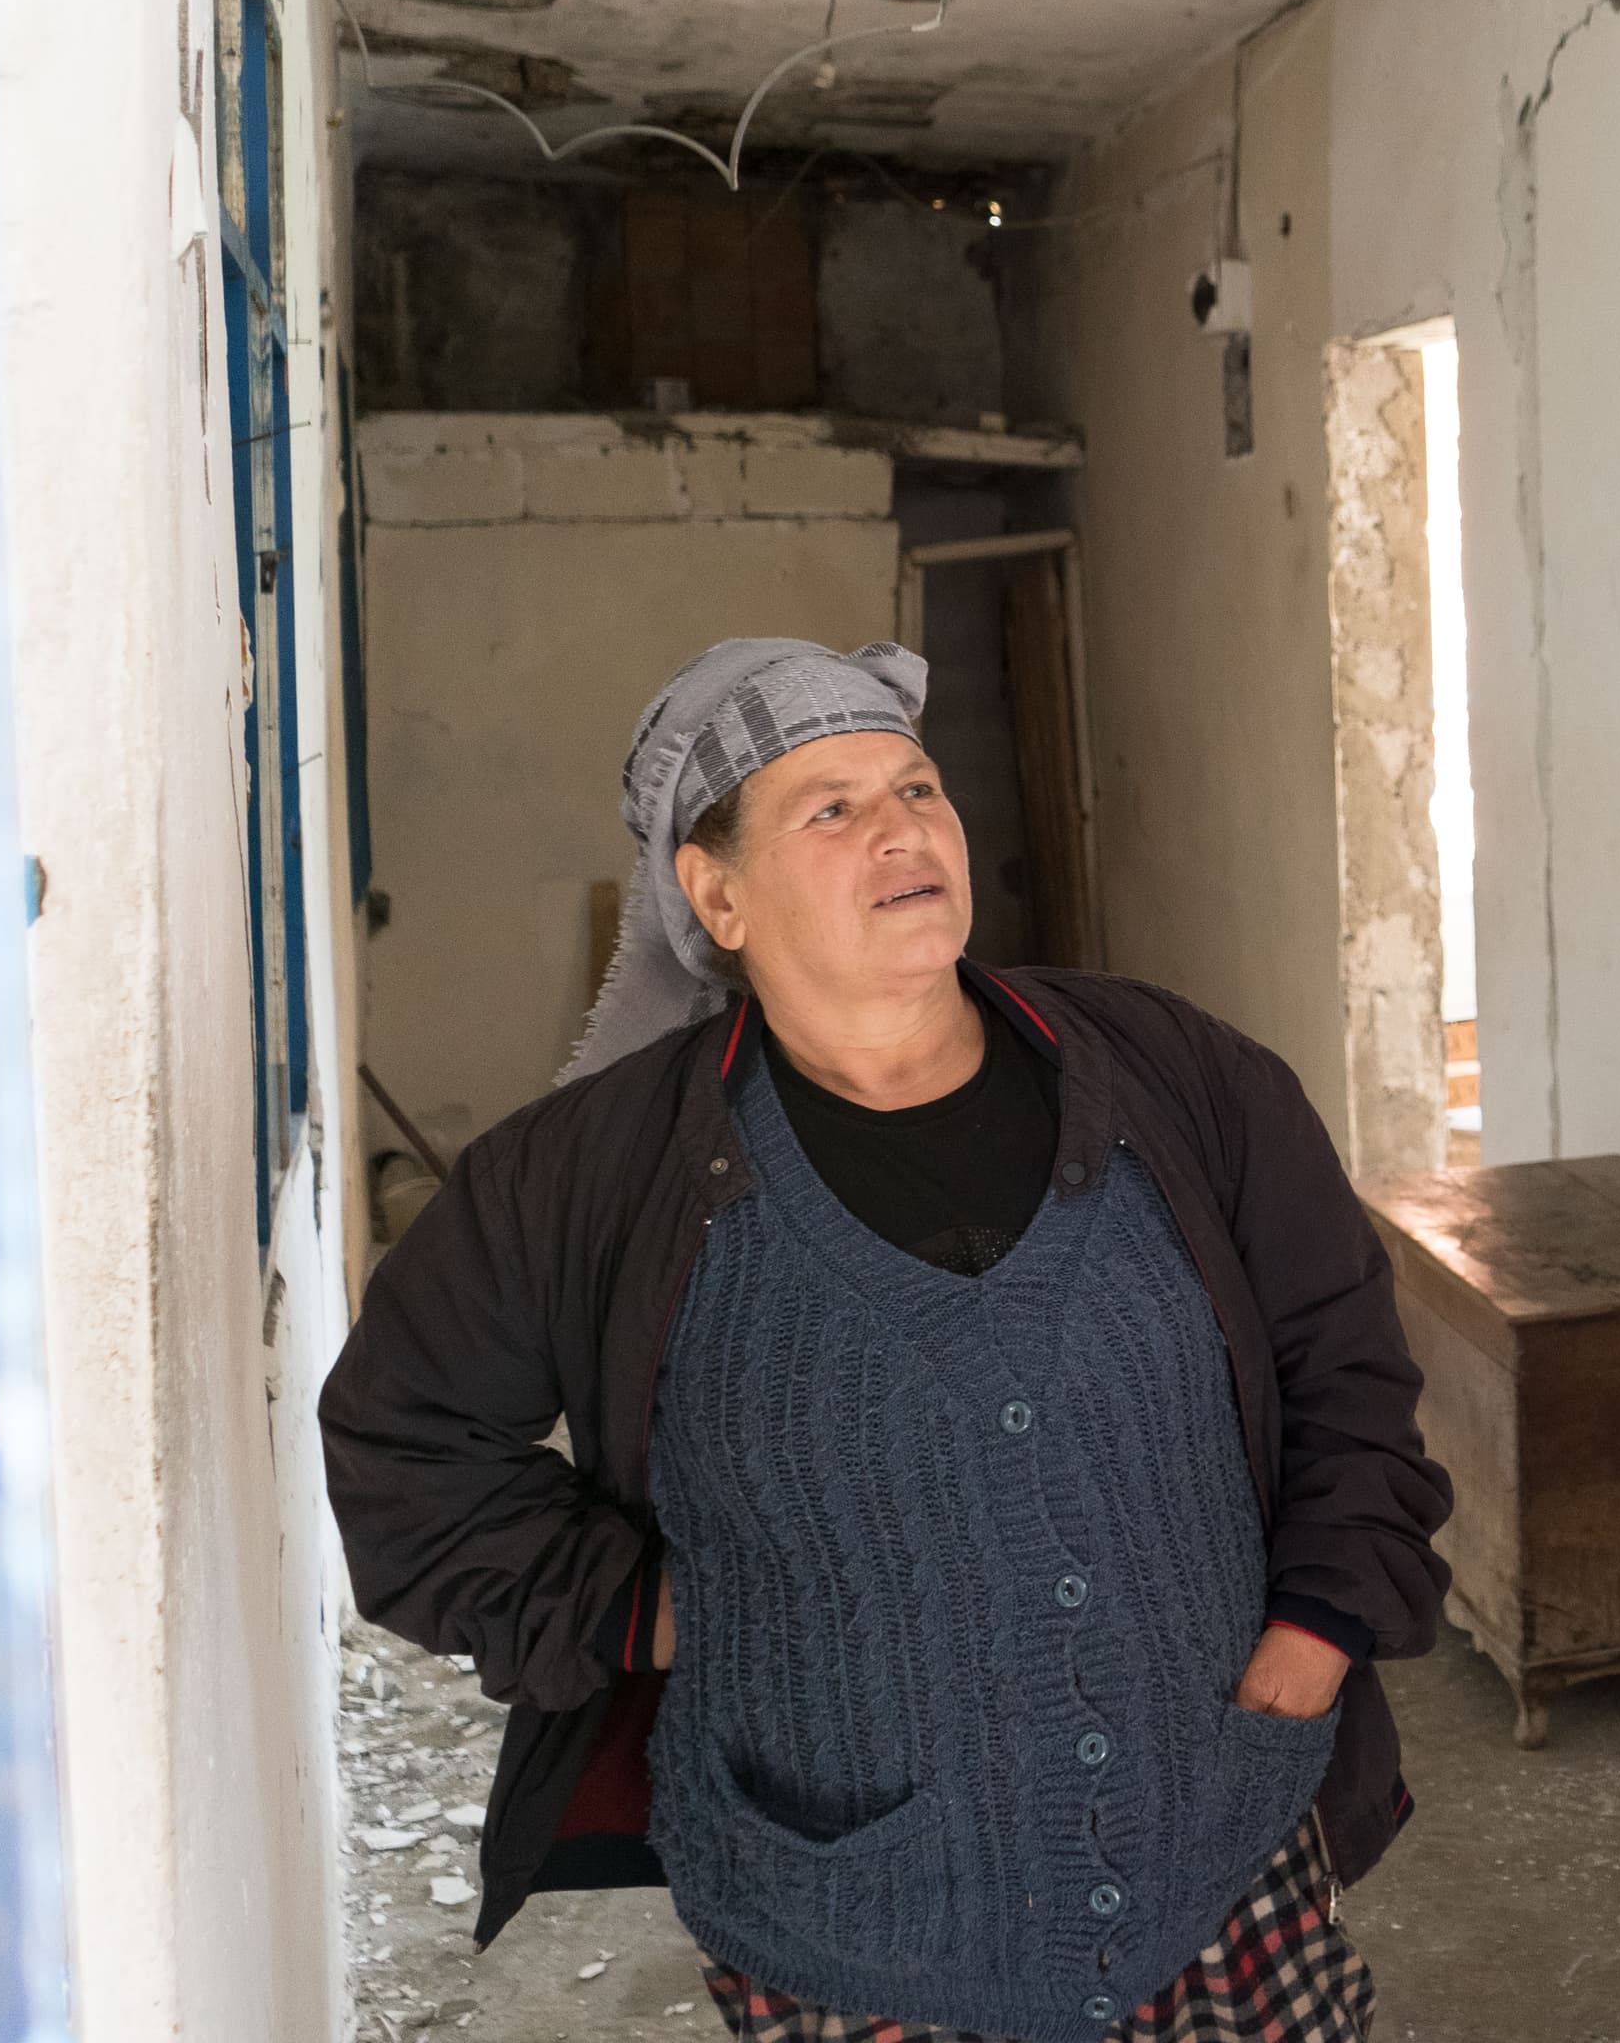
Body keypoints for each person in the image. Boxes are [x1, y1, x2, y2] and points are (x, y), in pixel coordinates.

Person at [323, 637, 1448, 2043]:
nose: (903, 827)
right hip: (849, 1932)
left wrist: (1311, 1644)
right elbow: (402, 1449)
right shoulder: (589, 1179)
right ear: (715, 893)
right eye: (831, 807)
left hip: (1224, 1856)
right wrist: (664, 1614)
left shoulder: (1179, 1078)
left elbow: (1345, 1368)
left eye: (918, 786)